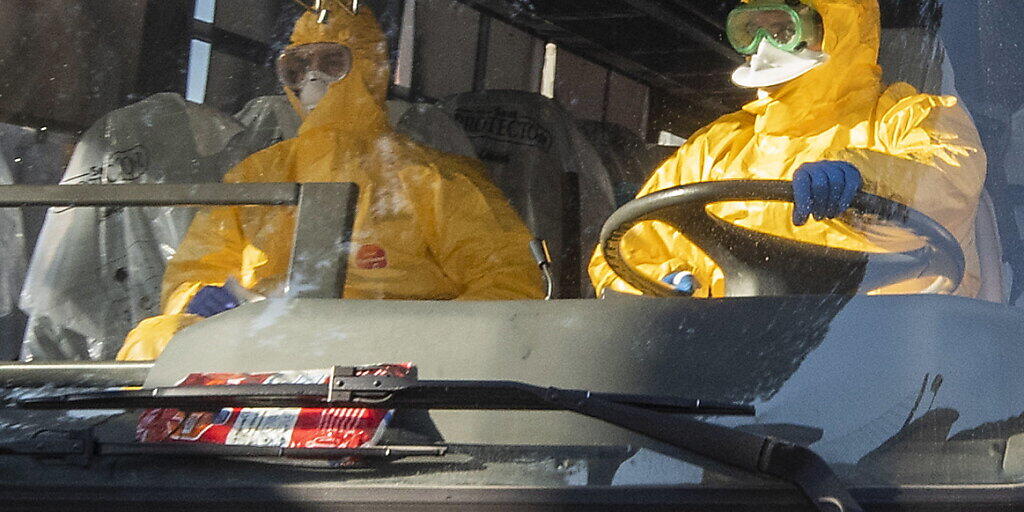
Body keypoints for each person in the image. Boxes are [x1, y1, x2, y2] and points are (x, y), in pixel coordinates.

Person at [117, 2, 541, 360]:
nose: (311, 78)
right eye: (297, 66)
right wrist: (211, 300)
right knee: (155, 339)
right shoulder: (256, 175)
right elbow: (193, 271)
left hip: (385, 358)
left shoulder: (434, 180)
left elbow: (509, 282)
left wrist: (419, 336)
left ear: (370, 69)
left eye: (331, 62)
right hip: (262, 341)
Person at [589, 0, 987, 298]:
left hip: (892, 376)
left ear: (835, 28)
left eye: (783, 31)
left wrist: (863, 184)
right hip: (726, 376)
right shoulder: (714, 146)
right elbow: (629, 249)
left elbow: (945, 186)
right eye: (750, 31)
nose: (763, 49)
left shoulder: (913, 118)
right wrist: (662, 289)